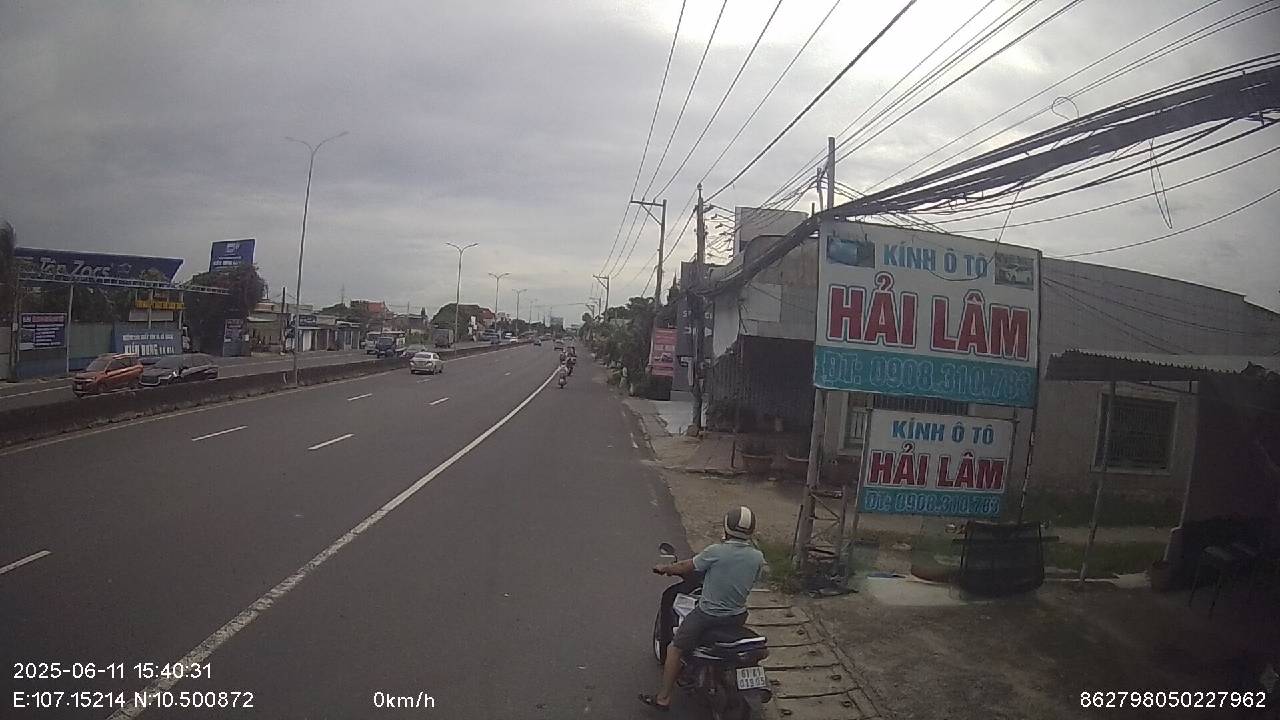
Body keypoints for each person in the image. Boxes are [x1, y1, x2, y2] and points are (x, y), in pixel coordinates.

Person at [640, 506, 764, 712]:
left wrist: (666, 568)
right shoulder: (757, 557)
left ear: (727, 527)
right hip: (737, 616)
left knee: (675, 648)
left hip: (708, 615)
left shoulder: (716, 552)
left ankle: (663, 698)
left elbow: (686, 566)